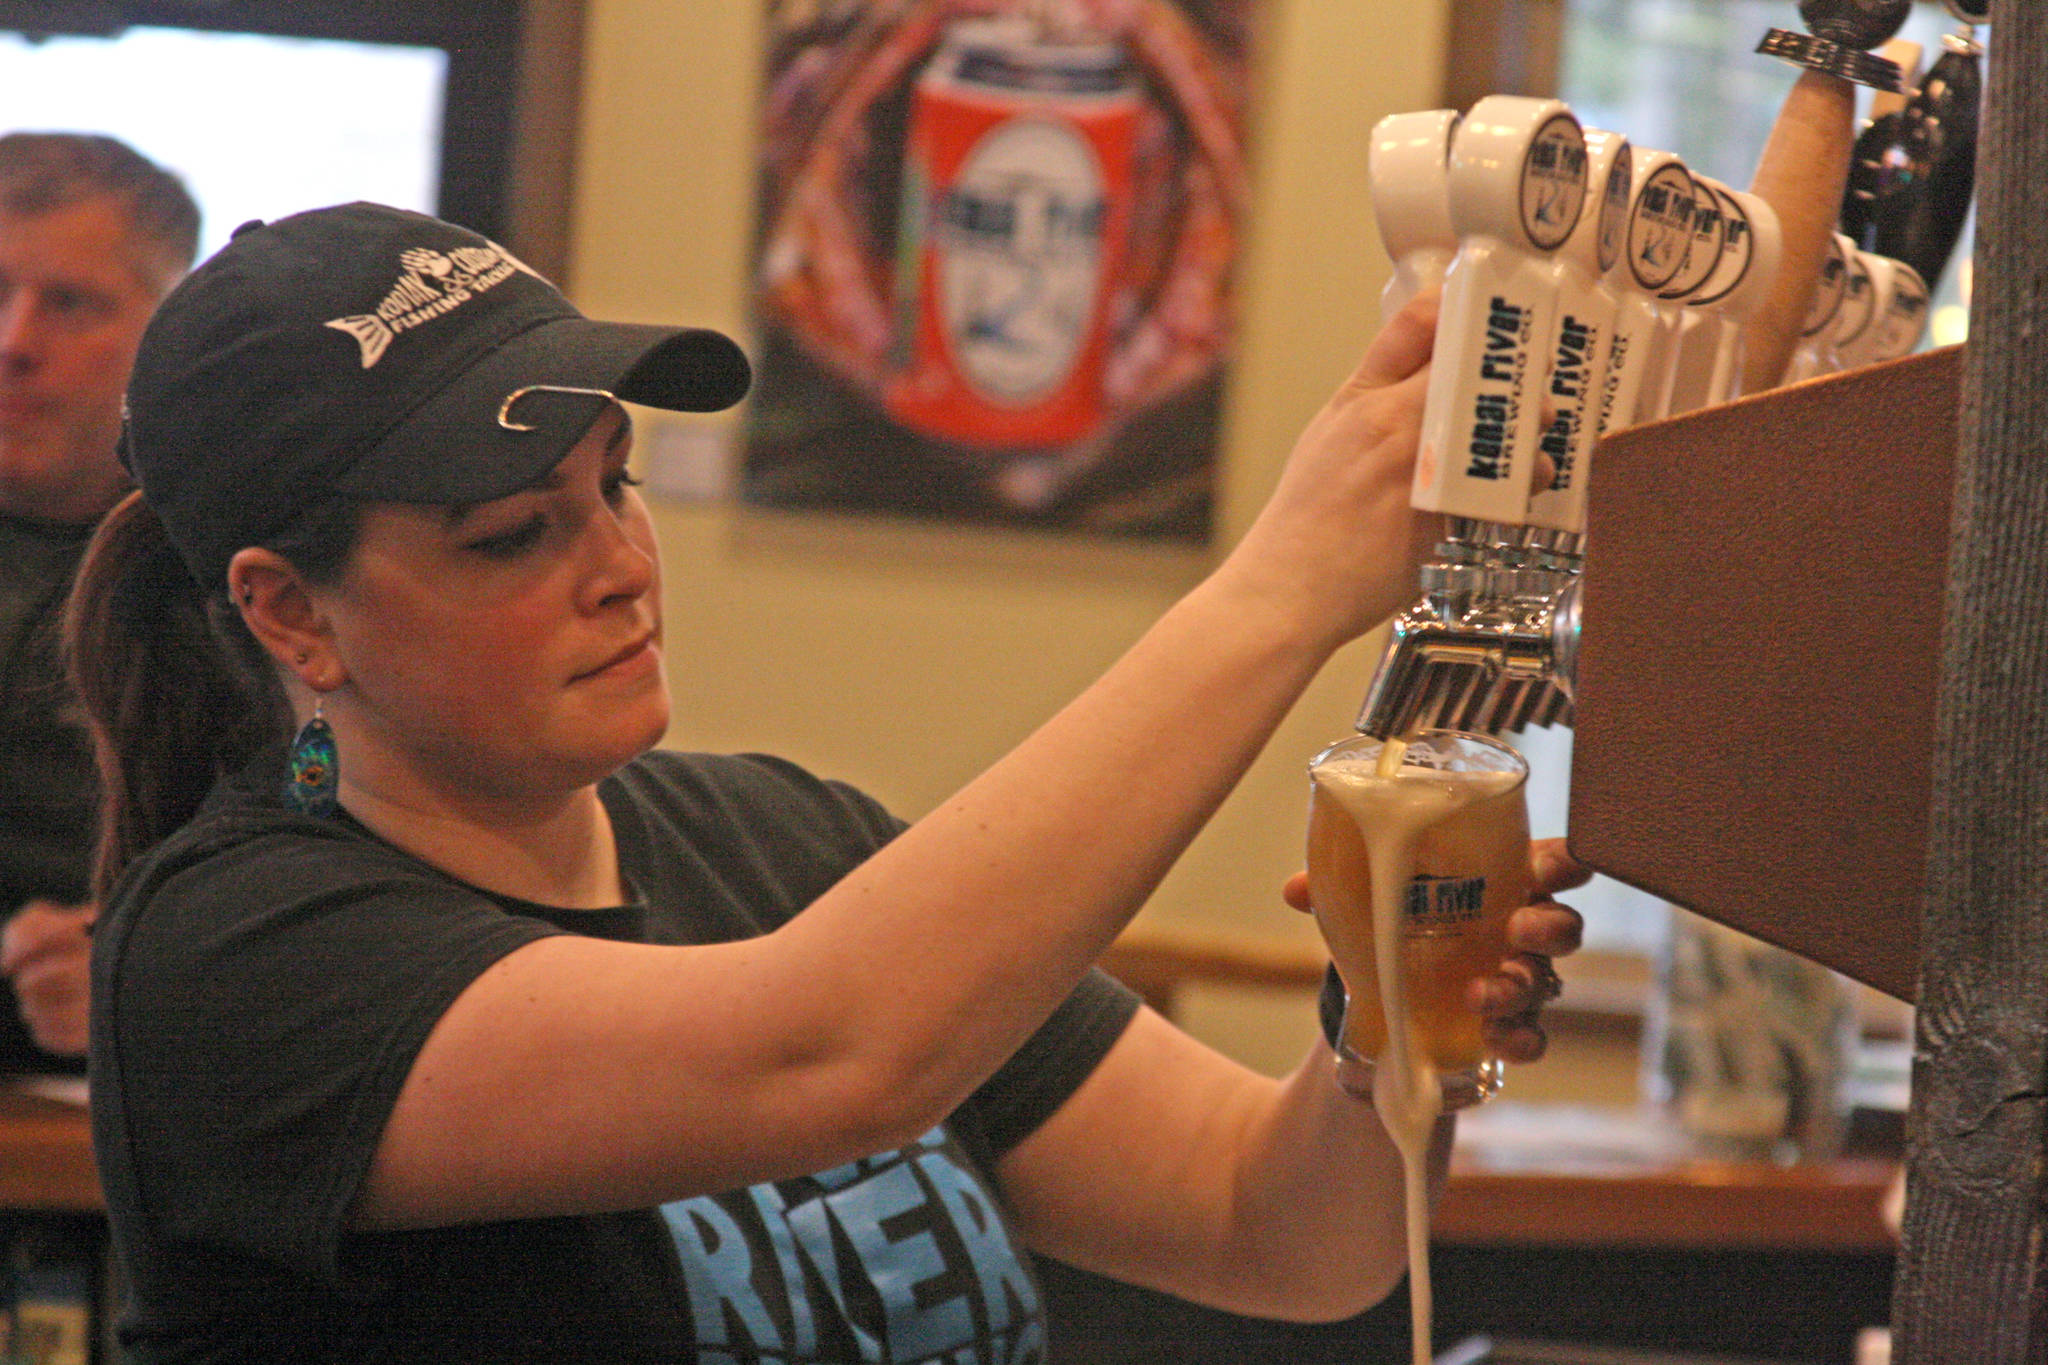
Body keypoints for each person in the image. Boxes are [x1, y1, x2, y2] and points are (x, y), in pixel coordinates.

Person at [69, 201, 1585, 1363]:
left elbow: (1280, 1234)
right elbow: (828, 1056)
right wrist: (1280, 589)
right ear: (290, 612)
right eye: (512, 535)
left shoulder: (784, 838)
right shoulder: (235, 957)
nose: (616, 566)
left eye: (619, 484)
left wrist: (1383, 1023)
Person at [0, 132, 198, 1070]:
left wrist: (154, 972)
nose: (15, 342)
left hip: (114, 1130)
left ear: (170, 334)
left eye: (70, 303)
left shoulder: (245, 590)